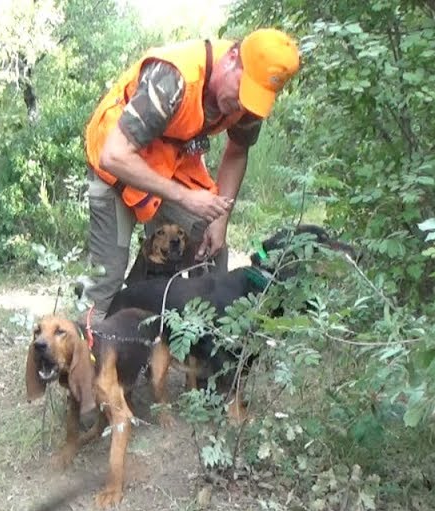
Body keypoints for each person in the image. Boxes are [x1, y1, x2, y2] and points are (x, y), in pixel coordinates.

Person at [82, 28, 301, 317]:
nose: (243, 104)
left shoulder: (248, 102)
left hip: (172, 165)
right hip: (115, 166)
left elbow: (237, 152)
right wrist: (185, 197)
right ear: (232, 57)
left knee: (210, 244)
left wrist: (219, 222)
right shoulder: (174, 78)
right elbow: (115, 155)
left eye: (254, 97)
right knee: (105, 279)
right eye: (243, 90)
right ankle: (84, 351)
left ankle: (203, 340)